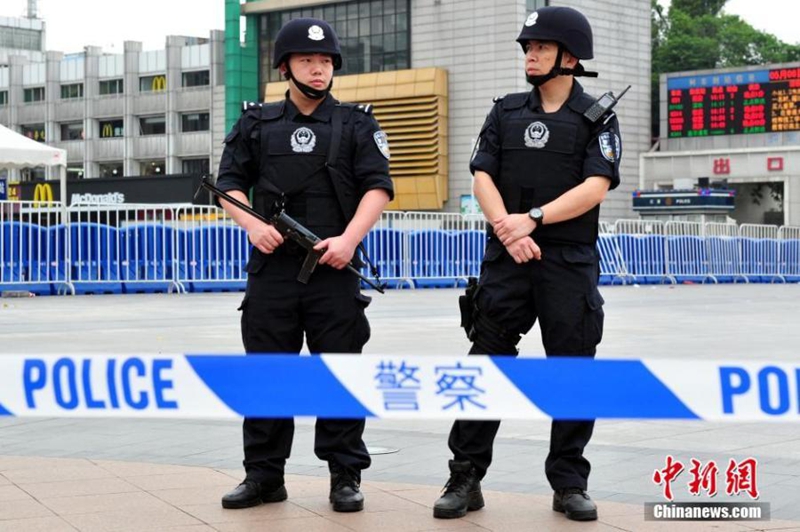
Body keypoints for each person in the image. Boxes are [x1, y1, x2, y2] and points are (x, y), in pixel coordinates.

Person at [432, 6, 622, 523]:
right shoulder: (505, 111)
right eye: (527, 48)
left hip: (567, 260)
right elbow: (481, 176)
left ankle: (569, 483)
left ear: (570, 56)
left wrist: (533, 219)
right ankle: (465, 475)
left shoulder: (596, 116)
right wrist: (508, 229)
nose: (530, 55)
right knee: (486, 364)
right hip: (508, 258)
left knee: (572, 370)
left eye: (540, 47)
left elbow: (596, 185)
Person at [215, 17, 393, 513]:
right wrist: (252, 226)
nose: (318, 69)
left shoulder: (357, 123)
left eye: (325, 61)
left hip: (334, 269)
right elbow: (229, 183)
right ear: (286, 67)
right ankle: (264, 476)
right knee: (268, 374)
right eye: (307, 61)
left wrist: (349, 241)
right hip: (272, 270)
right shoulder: (257, 122)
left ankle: (345, 475)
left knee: (339, 374)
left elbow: (378, 188)